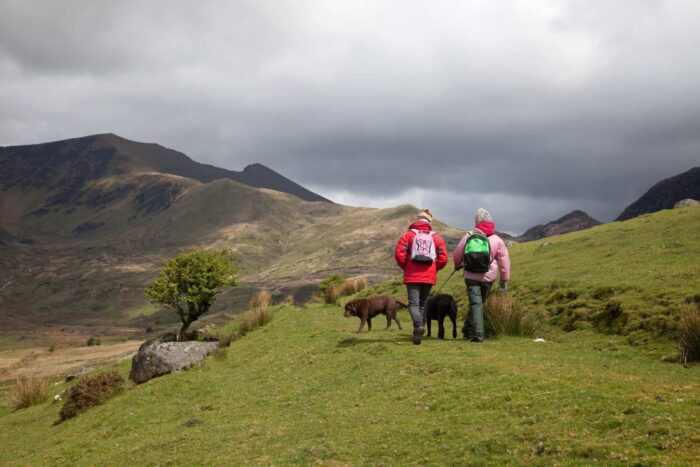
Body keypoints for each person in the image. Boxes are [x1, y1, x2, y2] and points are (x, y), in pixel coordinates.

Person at [453, 208, 510, 342]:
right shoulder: (497, 240)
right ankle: (468, 330)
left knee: (475, 303)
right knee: (478, 304)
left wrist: (457, 265)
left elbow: (457, 253)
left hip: (471, 276)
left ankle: (477, 334)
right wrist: (504, 280)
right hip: (488, 277)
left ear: (476, 221)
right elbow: (504, 262)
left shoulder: (468, 236)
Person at [394, 209, 448, 345]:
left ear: (417, 220)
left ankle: (418, 326)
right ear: (429, 222)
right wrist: (434, 269)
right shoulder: (436, 237)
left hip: (412, 275)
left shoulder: (408, 235)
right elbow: (444, 258)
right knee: (423, 304)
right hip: (428, 275)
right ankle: (418, 332)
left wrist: (406, 267)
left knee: (413, 303)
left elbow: (399, 253)